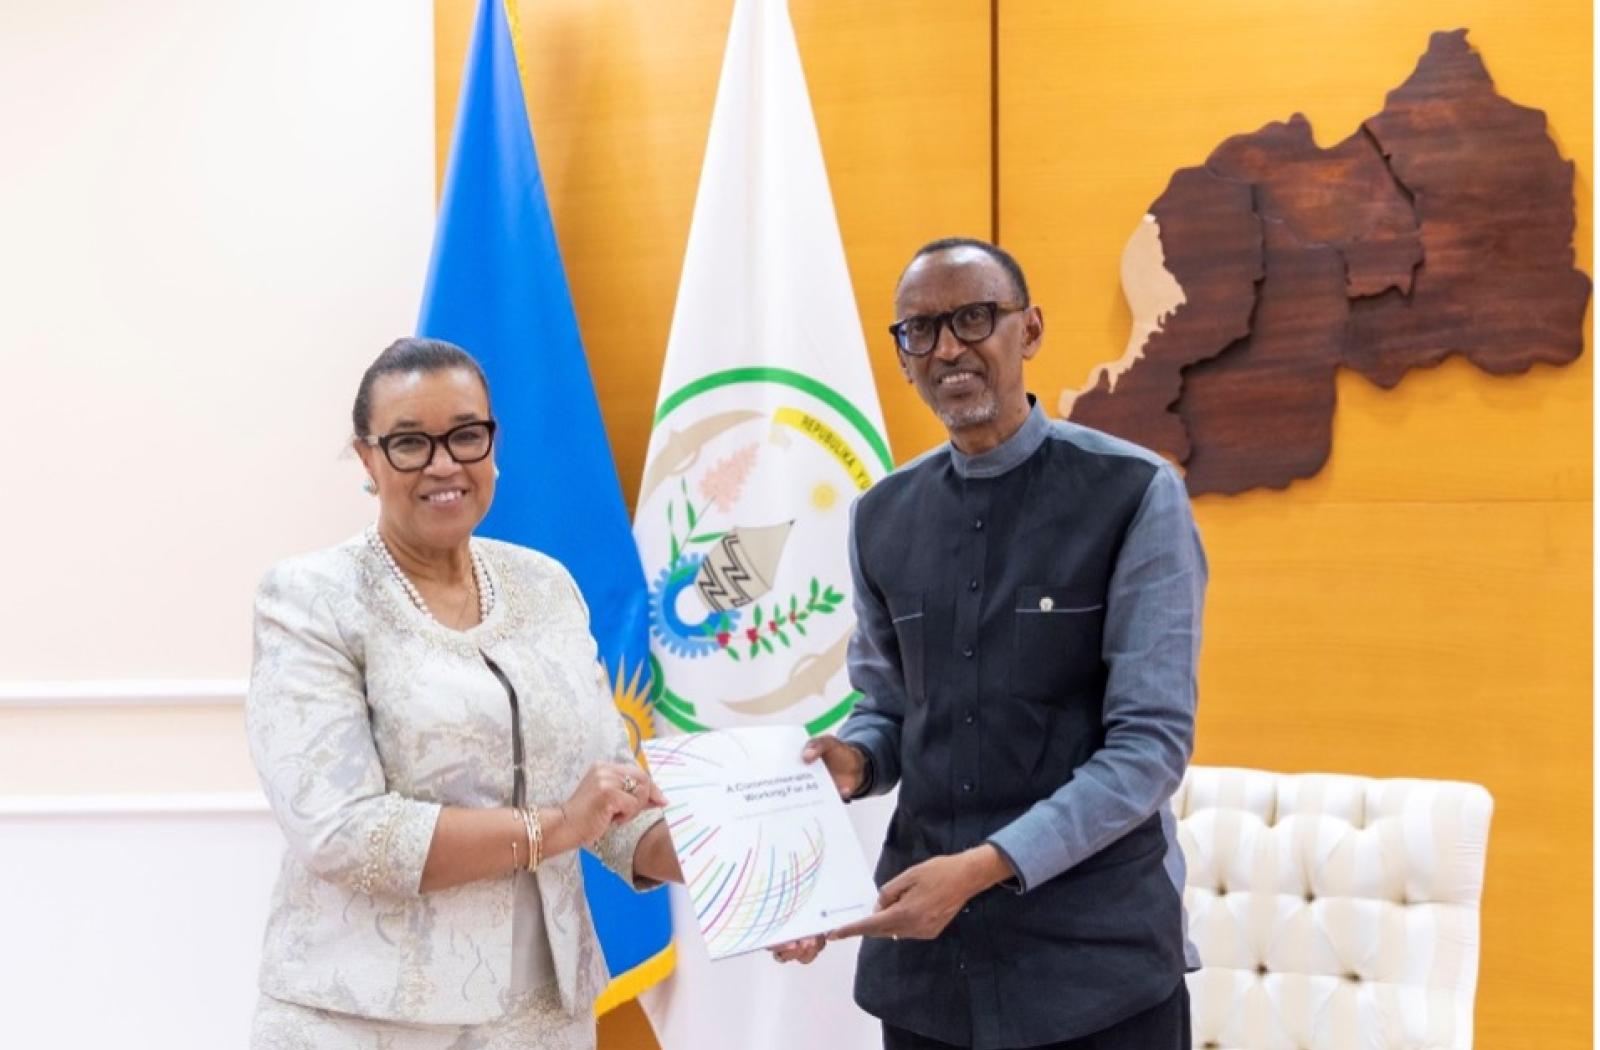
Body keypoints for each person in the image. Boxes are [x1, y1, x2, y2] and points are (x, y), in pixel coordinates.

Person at [777, 238, 1207, 1050]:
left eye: (973, 318)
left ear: (1029, 329)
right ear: (903, 356)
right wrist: (855, 760)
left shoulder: (1134, 494)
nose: (947, 349)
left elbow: (1149, 748)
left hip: (1099, 970)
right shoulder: (880, 516)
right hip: (929, 976)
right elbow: (890, 707)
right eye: (920, 330)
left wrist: (984, 867)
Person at [246, 337, 682, 1049]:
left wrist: (744, 869)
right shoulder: (308, 599)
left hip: (545, 1019)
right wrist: (556, 827)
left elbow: (609, 801)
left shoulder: (547, 585)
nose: (444, 464)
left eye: (465, 435)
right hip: (362, 1022)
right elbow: (342, 833)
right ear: (367, 459)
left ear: (492, 444)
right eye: (409, 443)